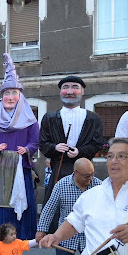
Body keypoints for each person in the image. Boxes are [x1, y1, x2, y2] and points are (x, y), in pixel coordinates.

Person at [36, 158, 102, 255]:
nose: (90, 179)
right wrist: (42, 229)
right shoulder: (62, 185)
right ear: (75, 173)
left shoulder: (99, 186)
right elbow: (49, 209)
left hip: (90, 236)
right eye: (86, 176)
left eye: (92, 175)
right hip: (66, 236)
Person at [0, 53, 39, 240]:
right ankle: (0, 233)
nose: (10, 97)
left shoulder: (30, 118)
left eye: (14, 93)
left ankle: (23, 233)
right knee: (1, 202)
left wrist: (28, 150)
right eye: (6, 93)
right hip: (3, 169)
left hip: (21, 167)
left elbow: (35, 141)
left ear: (20, 95)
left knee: (22, 200)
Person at [39, 75, 104, 206]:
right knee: (55, 208)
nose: (69, 91)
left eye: (75, 87)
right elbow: (43, 143)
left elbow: (97, 144)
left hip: (84, 172)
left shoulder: (93, 118)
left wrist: (80, 151)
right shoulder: (49, 118)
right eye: (65, 87)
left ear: (82, 92)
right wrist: (55, 147)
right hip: (58, 170)